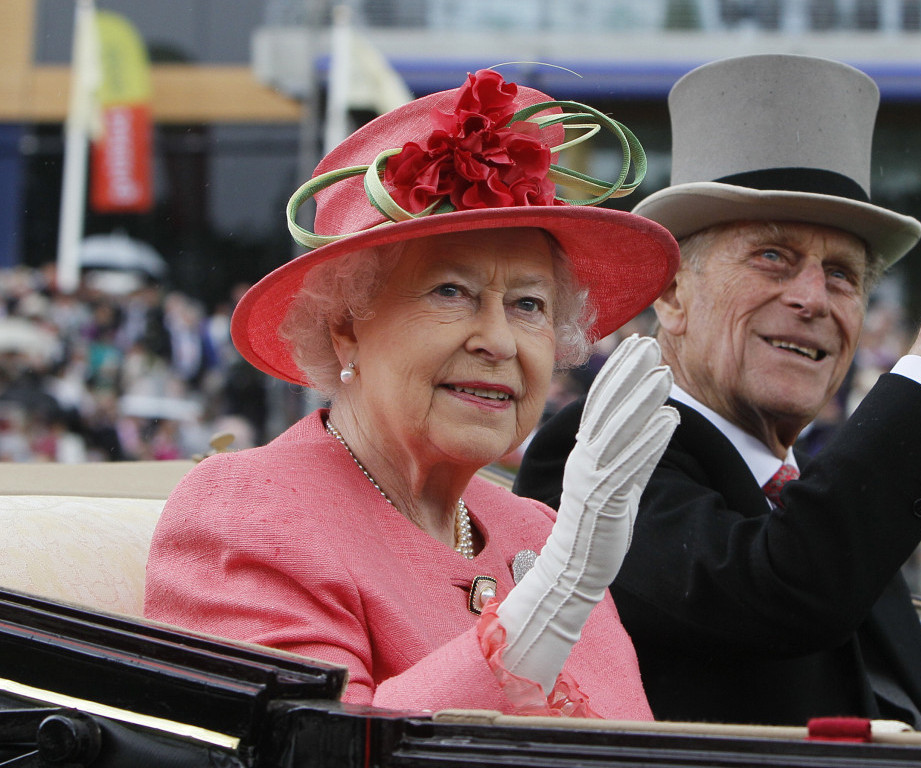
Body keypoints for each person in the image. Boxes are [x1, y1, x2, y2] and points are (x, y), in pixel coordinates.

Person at [516, 53, 921, 729]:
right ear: (674, 293)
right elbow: (781, 591)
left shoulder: (815, 501)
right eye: (773, 255)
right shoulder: (596, 453)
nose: (811, 299)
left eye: (841, 275)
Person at [145, 69, 682, 718]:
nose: (499, 341)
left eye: (529, 304)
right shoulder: (246, 511)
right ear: (345, 327)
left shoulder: (537, 531)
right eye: (451, 292)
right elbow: (312, 748)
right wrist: (547, 601)